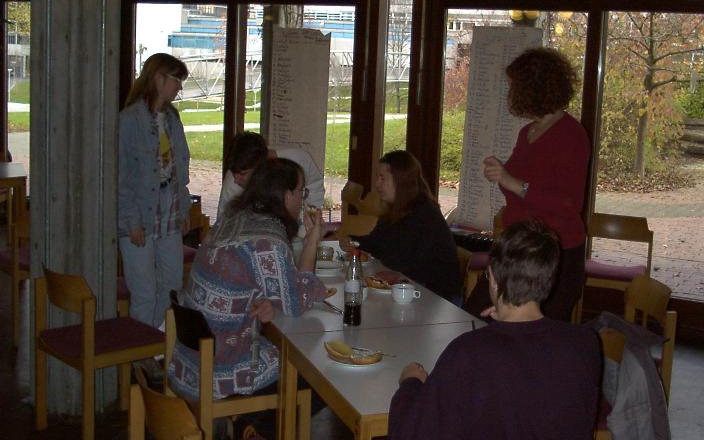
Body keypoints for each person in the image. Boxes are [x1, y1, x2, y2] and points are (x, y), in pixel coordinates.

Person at [389, 220, 601, 440]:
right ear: (550, 278)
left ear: (493, 278)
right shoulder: (585, 343)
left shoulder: (468, 353)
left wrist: (410, 385)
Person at [169, 157, 327, 399]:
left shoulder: (234, 218)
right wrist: (312, 243)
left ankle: (249, 419)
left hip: (191, 362)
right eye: (301, 192)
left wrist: (269, 301)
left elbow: (252, 283)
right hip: (220, 369)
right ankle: (251, 419)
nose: (303, 199)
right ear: (286, 195)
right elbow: (298, 302)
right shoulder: (267, 243)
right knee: (316, 368)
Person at [482, 47, 590, 321]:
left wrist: (512, 182)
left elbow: (568, 203)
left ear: (533, 88)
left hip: (554, 256)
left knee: (530, 333)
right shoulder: (527, 132)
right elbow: (517, 188)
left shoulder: (571, 135)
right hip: (519, 250)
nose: (511, 93)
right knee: (478, 319)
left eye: (515, 86)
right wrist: (501, 174)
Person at [118, 53, 191, 329]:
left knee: (171, 283)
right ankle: (141, 348)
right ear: (158, 78)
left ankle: (160, 341)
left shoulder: (172, 118)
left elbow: (180, 167)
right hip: (139, 212)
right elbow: (121, 177)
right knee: (144, 291)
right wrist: (131, 221)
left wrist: (184, 208)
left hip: (169, 207)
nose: (179, 87)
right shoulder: (129, 120)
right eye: (176, 80)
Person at [349, 150, 461, 304]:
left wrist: (365, 247)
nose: (377, 184)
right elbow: (375, 243)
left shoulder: (424, 213)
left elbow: (398, 261)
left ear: (399, 181)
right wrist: (350, 241)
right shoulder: (397, 208)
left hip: (437, 298)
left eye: (382, 178)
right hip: (412, 288)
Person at [216, 131, 324, 219]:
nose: (236, 180)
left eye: (243, 174)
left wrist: (311, 221)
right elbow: (223, 220)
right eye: (233, 173)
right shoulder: (232, 182)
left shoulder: (298, 160)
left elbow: (315, 189)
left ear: (261, 167)